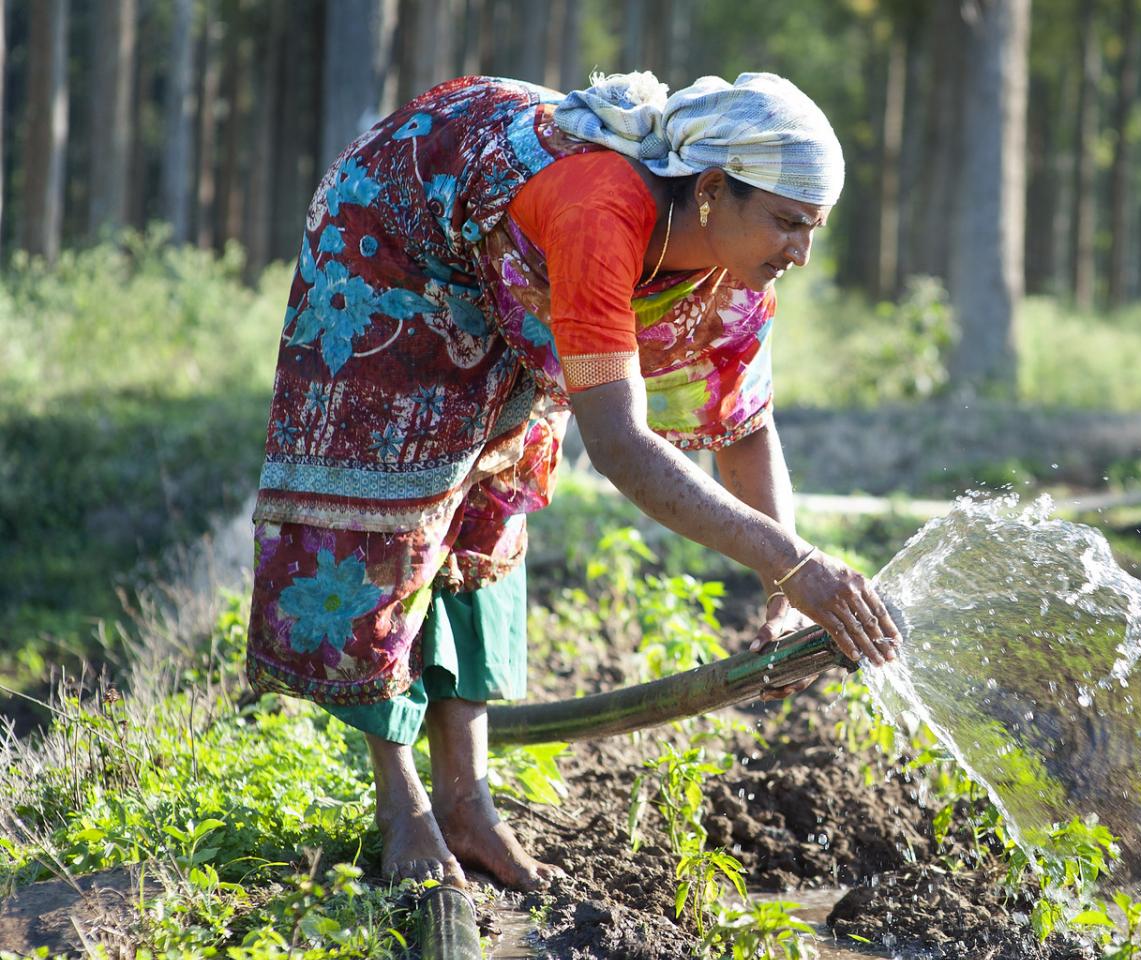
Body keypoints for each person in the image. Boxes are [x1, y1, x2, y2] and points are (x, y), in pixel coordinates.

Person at [245, 70, 900, 891]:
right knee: (394, 506)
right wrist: (794, 565)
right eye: (786, 223)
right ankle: (402, 804)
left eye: (814, 230)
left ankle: (467, 802)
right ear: (709, 192)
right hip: (398, 233)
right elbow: (621, 447)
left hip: (511, 255)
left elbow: (743, 422)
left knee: (494, 497)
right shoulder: (602, 210)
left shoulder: (739, 270)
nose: (800, 252)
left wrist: (779, 591)